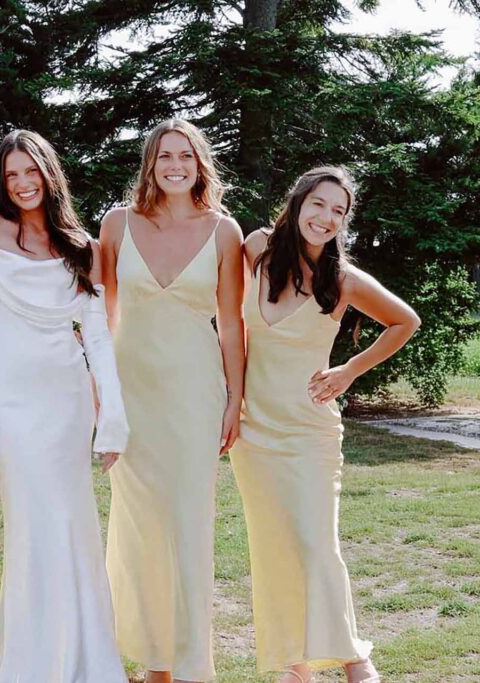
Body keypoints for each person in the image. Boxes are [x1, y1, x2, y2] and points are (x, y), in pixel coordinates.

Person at [0, 129, 130, 683]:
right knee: (30, 519)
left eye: (32, 172)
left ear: (49, 174)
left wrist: (113, 420)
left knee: (72, 519)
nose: (23, 183)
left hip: (66, 398)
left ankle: (82, 651)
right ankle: (30, 658)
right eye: (12, 175)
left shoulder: (83, 246)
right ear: (1, 182)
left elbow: (98, 337)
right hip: (5, 399)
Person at [231, 166, 420, 683]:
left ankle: (355, 659)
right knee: (272, 546)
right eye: (319, 204)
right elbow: (227, 324)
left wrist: (348, 370)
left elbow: (406, 321)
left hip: (310, 431)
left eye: (338, 211)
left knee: (317, 544)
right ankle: (296, 666)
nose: (327, 217)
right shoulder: (256, 249)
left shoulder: (342, 279)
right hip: (254, 431)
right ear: (298, 202)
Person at [100, 119, 245, 683]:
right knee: (137, 524)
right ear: (150, 165)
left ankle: (190, 665)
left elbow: (231, 325)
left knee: (189, 523)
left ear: (199, 162)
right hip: (131, 393)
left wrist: (234, 398)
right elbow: (101, 316)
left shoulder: (223, 231)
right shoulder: (118, 223)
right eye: (164, 157)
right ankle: (152, 660)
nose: (175, 165)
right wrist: (101, 393)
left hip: (194, 392)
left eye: (185, 155)